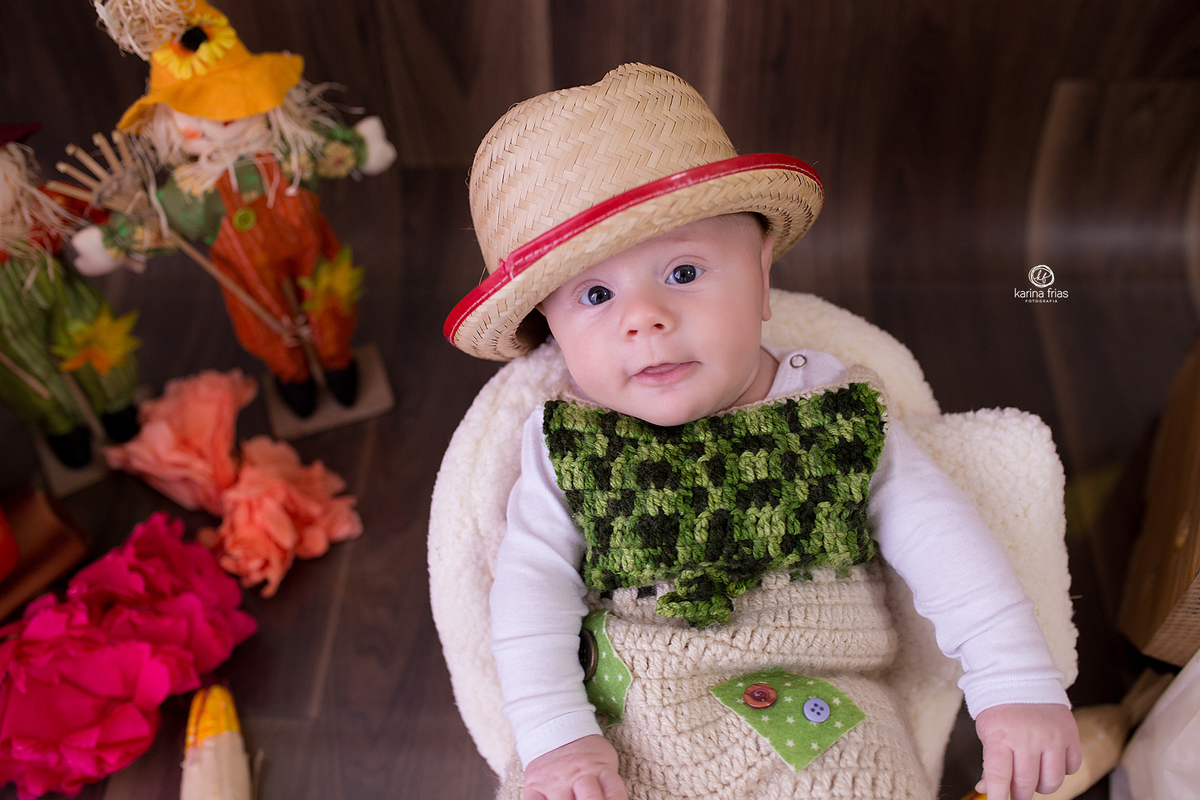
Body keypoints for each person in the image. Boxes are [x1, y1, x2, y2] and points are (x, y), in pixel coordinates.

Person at [444, 63, 1081, 800]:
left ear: (761, 275)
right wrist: (556, 738)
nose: (644, 317)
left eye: (684, 273)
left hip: (821, 722)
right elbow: (530, 592)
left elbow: (945, 541)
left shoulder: (833, 412)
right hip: (627, 723)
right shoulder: (573, 442)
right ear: (550, 329)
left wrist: (1014, 679)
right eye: (595, 294)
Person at [73, 0, 396, 419]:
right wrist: (118, 240)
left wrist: (359, 149)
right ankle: (293, 377)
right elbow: (163, 221)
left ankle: (337, 362)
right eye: (201, 108)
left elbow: (324, 151)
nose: (221, 119)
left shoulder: (287, 150)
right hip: (249, 275)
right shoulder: (196, 189)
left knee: (329, 300)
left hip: (310, 248)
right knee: (266, 322)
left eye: (231, 99)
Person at [0, 123, 140, 468]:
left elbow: (90, 201)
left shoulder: (41, 207)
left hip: (60, 289)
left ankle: (116, 406)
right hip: (6, 324)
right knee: (26, 369)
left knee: (89, 335)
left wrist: (117, 225)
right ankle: (63, 426)